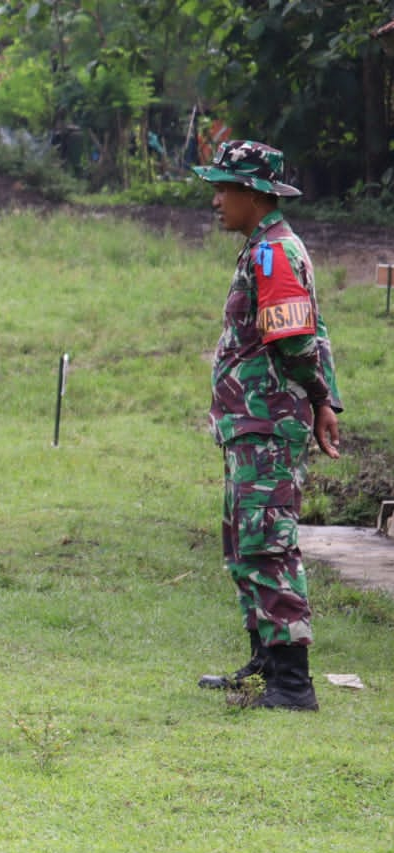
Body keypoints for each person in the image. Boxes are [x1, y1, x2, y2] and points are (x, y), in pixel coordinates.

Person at [191, 140, 343, 712]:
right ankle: (264, 665)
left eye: (223, 188)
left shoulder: (275, 254)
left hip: (268, 422)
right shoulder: (263, 249)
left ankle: (291, 683)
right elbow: (313, 332)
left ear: (254, 193)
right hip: (251, 423)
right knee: (244, 545)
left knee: (269, 545)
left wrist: (320, 398)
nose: (215, 200)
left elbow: (299, 341)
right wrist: (326, 402)